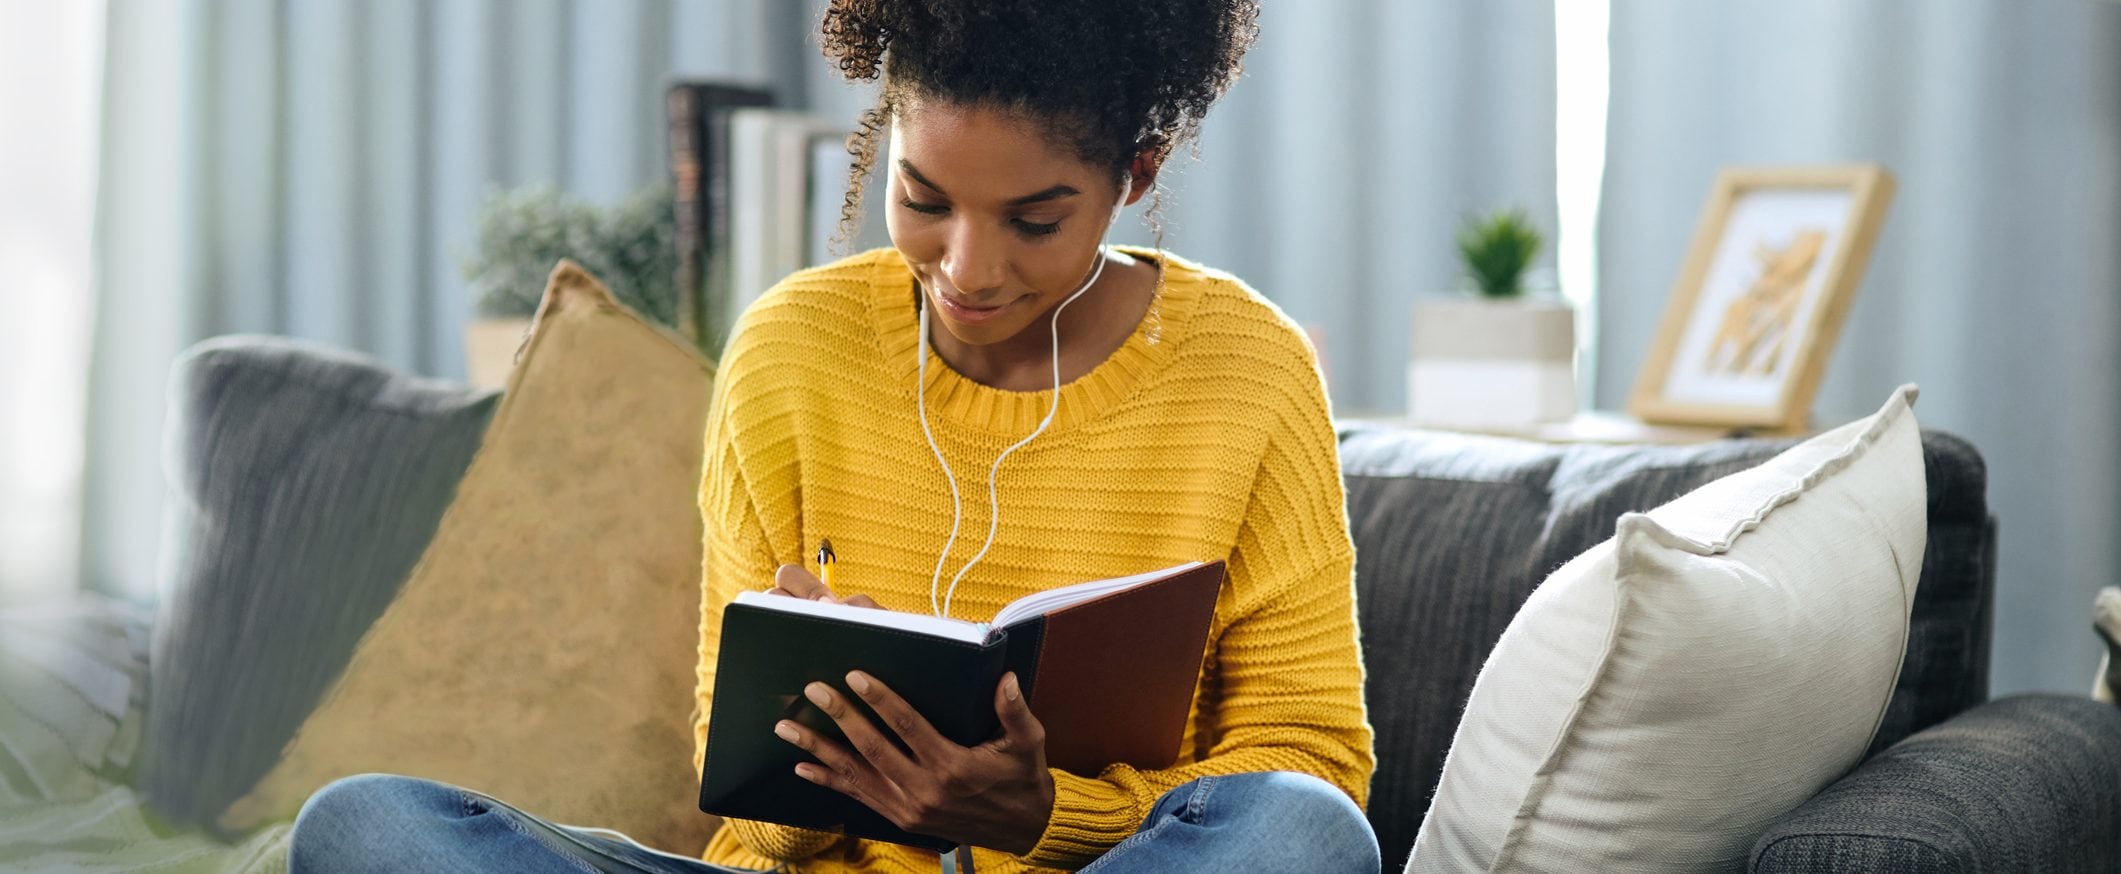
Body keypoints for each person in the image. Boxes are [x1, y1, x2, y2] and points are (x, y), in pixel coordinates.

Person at [287, 0, 1377, 871]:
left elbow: (1310, 761)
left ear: (1133, 177)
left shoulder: (1248, 369)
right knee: (367, 827)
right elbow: (745, 819)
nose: (967, 269)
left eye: (1034, 221)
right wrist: (806, 754)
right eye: (923, 198)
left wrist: (1045, 814)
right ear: (886, 141)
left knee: (1304, 834)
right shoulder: (791, 351)